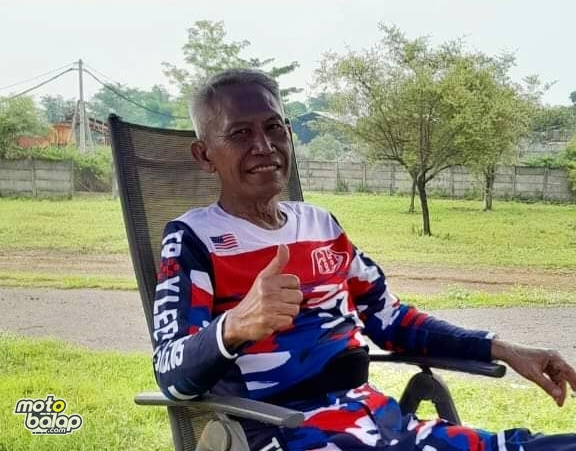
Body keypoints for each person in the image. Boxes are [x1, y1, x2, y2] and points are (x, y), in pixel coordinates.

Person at [152, 68, 576, 451]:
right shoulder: (193, 240)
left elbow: (392, 320)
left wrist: (503, 348)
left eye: (274, 127)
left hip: (378, 424)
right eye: (240, 133)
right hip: (286, 432)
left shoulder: (321, 225)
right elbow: (172, 376)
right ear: (204, 155)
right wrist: (235, 325)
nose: (264, 146)